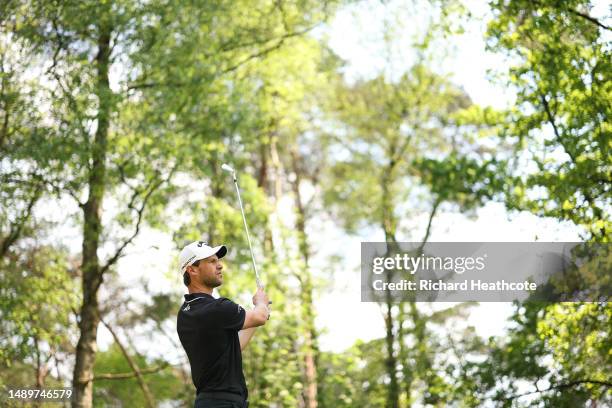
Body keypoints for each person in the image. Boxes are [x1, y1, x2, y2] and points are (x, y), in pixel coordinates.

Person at [177, 241, 270, 408]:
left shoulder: (185, 312)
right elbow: (261, 316)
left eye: (217, 261)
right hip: (224, 402)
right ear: (192, 269)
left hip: (209, 401)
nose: (219, 266)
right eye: (212, 262)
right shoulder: (217, 308)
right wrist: (261, 304)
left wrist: (257, 315)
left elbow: (233, 347)